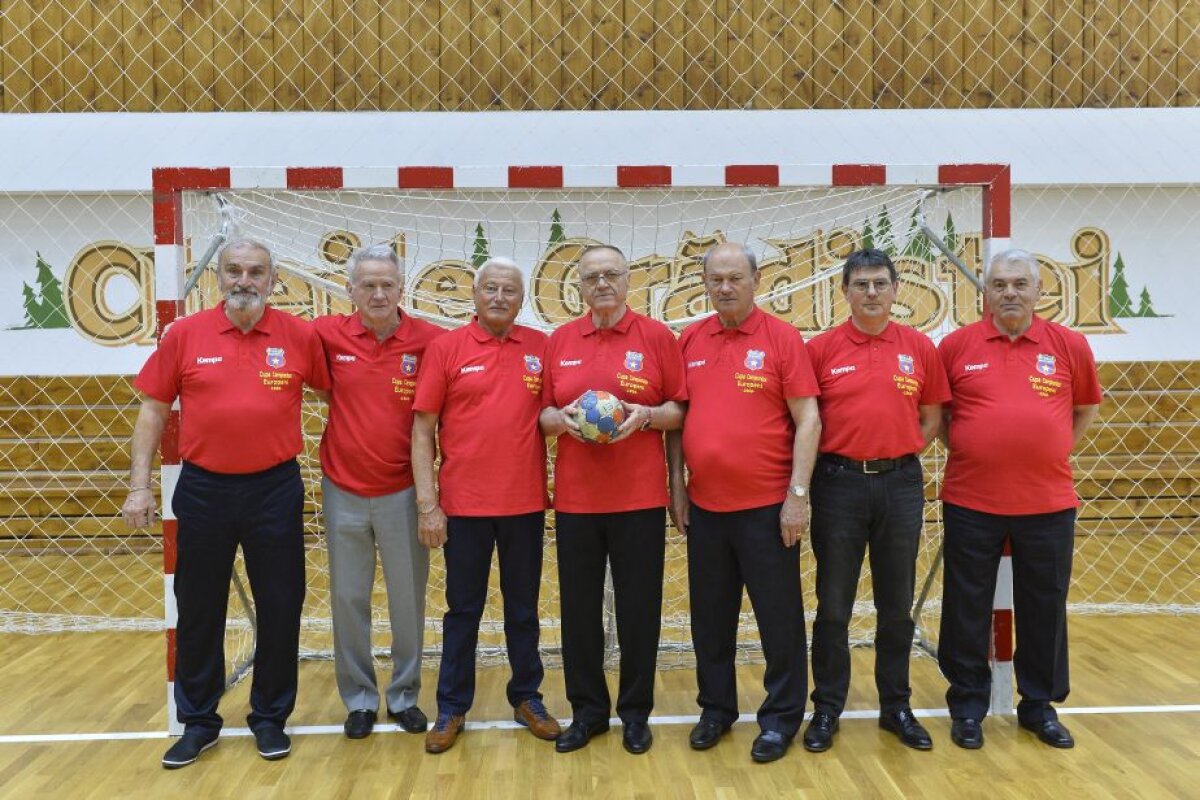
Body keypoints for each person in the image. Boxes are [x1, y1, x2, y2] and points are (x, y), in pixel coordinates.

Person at [122, 239, 330, 768]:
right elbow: (151, 411)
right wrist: (139, 486)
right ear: (217, 277)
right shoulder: (184, 336)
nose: (245, 280)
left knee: (281, 605)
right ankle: (198, 721)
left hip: (275, 488)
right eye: (234, 270)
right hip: (204, 488)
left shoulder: (299, 336)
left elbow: (340, 399)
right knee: (198, 608)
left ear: (273, 279)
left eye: (256, 272)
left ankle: (269, 718)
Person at [937, 249, 1102, 750]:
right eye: (999, 285)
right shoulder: (956, 346)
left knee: (1044, 604)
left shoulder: (1069, 345)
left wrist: (1047, 447)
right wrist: (976, 447)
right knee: (966, 605)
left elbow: (1085, 408)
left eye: (1019, 284)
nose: (1009, 292)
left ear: (1038, 291)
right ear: (984, 293)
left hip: (1048, 501)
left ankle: (1039, 706)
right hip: (971, 498)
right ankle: (968, 706)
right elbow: (941, 418)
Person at [667, 242, 820, 763]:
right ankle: (716, 709)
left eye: (736, 278)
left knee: (779, 619)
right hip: (706, 508)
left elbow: (809, 420)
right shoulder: (689, 339)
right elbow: (677, 421)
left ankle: (779, 720)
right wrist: (676, 488)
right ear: (705, 284)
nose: (726, 287)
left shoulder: (782, 338)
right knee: (710, 618)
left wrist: (797, 497)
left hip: (767, 509)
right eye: (717, 279)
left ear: (756, 280)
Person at [540, 244, 686, 756]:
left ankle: (635, 714)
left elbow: (678, 411)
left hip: (639, 500)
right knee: (578, 613)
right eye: (591, 277)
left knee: (639, 610)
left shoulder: (657, 338)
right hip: (577, 502)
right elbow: (541, 416)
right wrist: (560, 420)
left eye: (612, 275)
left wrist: (644, 415)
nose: (602, 284)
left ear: (629, 281)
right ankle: (587, 713)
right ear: (578, 286)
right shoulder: (559, 341)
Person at [802, 248, 950, 753]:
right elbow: (805, 420)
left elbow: (931, 418)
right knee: (835, 605)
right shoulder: (820, 349)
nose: (870, 293)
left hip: (900, 486)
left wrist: (896, 455)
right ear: (844, 291)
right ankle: (826, 708)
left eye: (880, 284)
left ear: (895, 289)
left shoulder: (919, 347)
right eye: (860, 284)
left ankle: (897, 707)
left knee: (896, 605)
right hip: (838, 483)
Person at [411, 258, 560, 754]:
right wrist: (429, 505)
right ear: (474, 295)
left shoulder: (541, 349)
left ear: (523, 298)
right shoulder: (445, 349)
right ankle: (452, 707)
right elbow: (422, 430)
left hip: (524, 505)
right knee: (463, 611)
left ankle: (527, 698)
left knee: (523, 610)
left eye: (510, 291)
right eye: (490, 289)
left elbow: (554, 415)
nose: (499, 297)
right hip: (464, 507)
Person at [314, 244, 445, 740]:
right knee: (348, 598)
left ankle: (405, 695)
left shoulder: (430, 341)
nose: (378, 292)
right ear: (349, 290)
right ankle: (360, 700)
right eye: (367, 284)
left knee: (407, 599)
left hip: (405, 492)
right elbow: (320, 388)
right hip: (342, 488)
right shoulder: (325, 335)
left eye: (387, 284)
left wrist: (432, 495)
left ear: (401, 289)